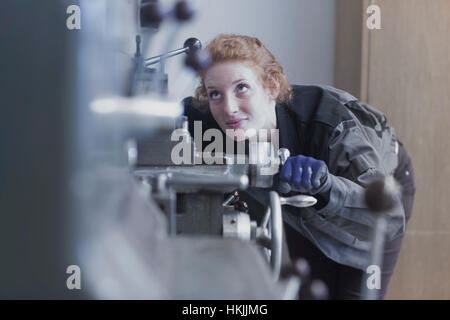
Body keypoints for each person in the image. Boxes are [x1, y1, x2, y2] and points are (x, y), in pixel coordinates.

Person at [182, 34, 416, 299]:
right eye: (215, 93)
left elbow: (388, 219)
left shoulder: (331, 126)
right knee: (310, 290)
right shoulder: (208, 122)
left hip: (375, 196)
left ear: (271, 86)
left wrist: (327, 187)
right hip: (302, 208)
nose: (229, 108)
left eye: (242, 88)